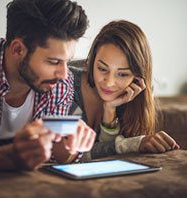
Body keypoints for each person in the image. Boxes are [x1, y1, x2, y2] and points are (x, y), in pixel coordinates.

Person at [0, 0, 96, 171]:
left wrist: (73, 145)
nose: (64, 74)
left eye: (67, 61)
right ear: (18, 49)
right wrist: (12, 156)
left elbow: (56, 152)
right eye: (54, 61)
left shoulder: (61, 83)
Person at [69, 20, 179, 160]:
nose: (109, 83)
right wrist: (130, 145)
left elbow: (108, 159)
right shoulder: (67, 83)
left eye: (122, 74)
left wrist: (109, 110)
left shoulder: (137, 92)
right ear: (92, 60)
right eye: (102, 69)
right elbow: (71, 155)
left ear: (137, 76)